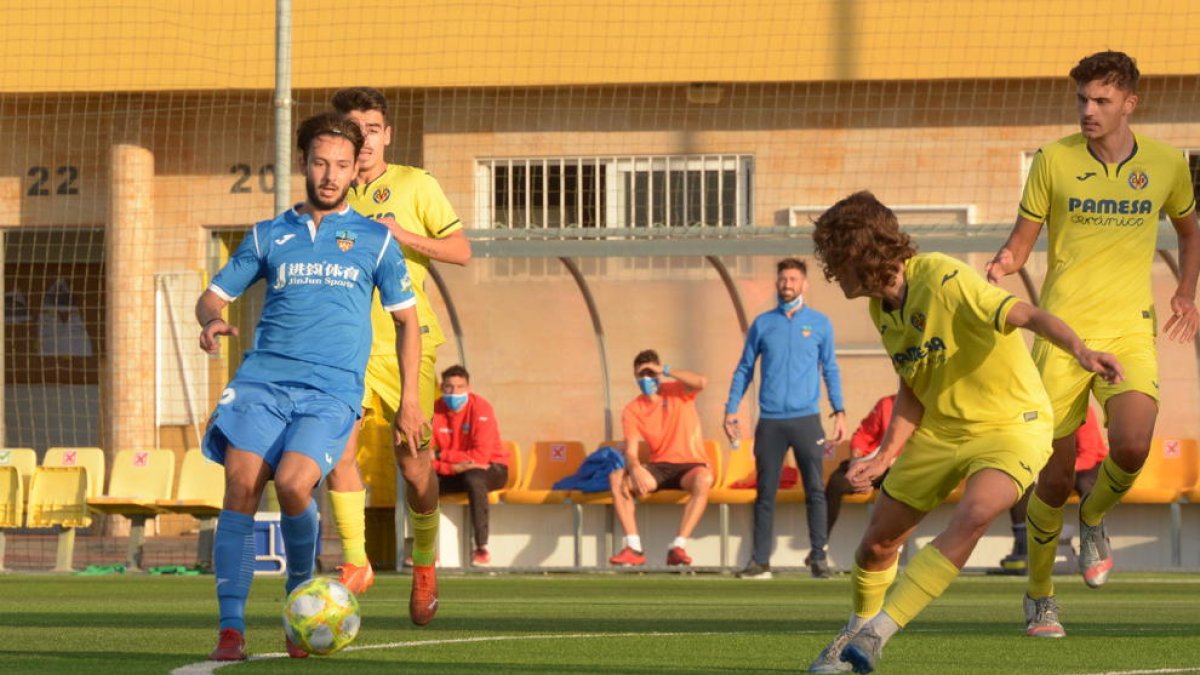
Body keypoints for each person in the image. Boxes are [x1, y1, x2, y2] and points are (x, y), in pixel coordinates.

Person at [806, 191, 1122, 673]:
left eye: (834, 256)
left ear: (861, 250)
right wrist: (885, 456)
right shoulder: (880, 309)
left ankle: (877, 634)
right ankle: (855, 632)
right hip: (943, 432)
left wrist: (1082, 352)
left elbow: (1026, 315)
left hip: (1012, 426)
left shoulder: (942, 276)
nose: (830, 270)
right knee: (876, 546)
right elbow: (914, 383)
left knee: (974, 514)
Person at [196, 112, 423, 661]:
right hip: (263, 383)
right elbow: (213, 296)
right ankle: (231, 629)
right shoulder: (268, 234)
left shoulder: (376, 240)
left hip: (330, 392)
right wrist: (211, 320)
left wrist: (411, 400)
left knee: (296, 485)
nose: (330, 174)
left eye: (341, 165)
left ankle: (300, 594)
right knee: (241, 486)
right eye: (321, 163)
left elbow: (408, 321)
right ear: (303, 163)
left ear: (354, 170)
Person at [986, 51, 1198, 637]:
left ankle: (1095, 515)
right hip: (1061, 335)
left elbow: (1189, 231)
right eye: (1082, 98)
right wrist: (1005, 262)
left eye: (1102, 100)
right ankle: (1040, 596)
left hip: (1129, 328)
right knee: (1051, 481)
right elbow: (1022, 239)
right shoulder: (1052, 160)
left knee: (1131, 444)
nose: (1088, 110)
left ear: (1130, 103)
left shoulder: (1166, 163)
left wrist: (1185, 291)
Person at [324, 87, 471, 624]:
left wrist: (402, 234)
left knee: (414, 465)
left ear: (387, 134)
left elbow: (461, 251)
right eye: (353, 130)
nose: (363, 139)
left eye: (372, 129)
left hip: (408, 342)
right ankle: (356, 561)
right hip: (346, 349)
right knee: (337, 450)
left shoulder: (415, 184)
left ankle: (425, 564)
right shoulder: (330, 194)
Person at [724, 258, 847, 579]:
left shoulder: (820, 323)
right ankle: (760, 562)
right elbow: (744, 368)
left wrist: (839, 411)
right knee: (765, 493)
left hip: (807, 420)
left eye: (793, 279)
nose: (787, 284)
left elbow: (830, 368)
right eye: (783, 279)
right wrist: (731, 408)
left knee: (815, 490)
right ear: (777, 283)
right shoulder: (763, 324)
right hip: (771, 422)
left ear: (804, 284)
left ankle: (819, 558)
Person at [609, 350, 713, 567]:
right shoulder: (632, 409)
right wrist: (635, 468)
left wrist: (664, 370)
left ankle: (678, 547)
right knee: (617, 477)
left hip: (690, 466)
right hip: (659, 467)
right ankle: (634, 548)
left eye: (651, 373)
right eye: (642, 374)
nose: (647, 379)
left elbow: (701, 382)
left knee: (704, 478)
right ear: (635, 377)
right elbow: (631, 450)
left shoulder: (677, 391)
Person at [995, 406, 1107, 575]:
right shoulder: (1029, 408)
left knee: (1086, 484)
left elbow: (1088, 456)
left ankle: (1094, 542)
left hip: (1087, 467)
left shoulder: (1079, 408)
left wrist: (1055, 472)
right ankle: (1023, 541)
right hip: (1047, 465)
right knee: (1020, 478)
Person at [430, 365, 510, 566]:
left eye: (460, 387)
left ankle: (481, 547)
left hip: (492, 468)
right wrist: (452, 468)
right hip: (454, 471)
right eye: (449, 387)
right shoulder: (434, 410)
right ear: (442, 388)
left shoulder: (481, 408)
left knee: (474, 478)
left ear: (469, 388)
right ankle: (427, 549)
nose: (454, 393)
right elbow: (424, 457)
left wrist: (441, 455)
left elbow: (480, 456)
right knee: (422, 482)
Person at [824, 395, 895, 541]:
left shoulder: (926, 409)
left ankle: (891, 542)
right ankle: (821, 542)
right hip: (870, 464)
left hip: (897, 470)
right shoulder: (887, 403)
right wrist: (856, 453)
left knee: (898, 484)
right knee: (836, 483)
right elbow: (864, 435)